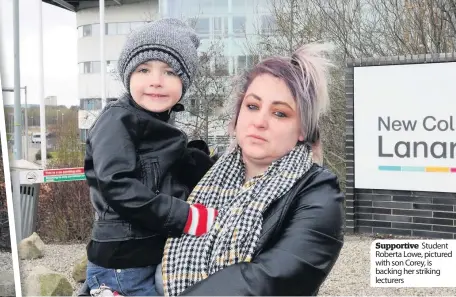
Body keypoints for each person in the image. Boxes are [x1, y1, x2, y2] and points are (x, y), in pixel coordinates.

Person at [158, 43, 345, 296]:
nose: (259, 122)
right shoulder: (200, 177)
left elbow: (271, 279)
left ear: (302, 130)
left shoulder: (319, 193)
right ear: (237, 115)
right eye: (252, 106)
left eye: (280, 113)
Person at [83, 18, 218, 296]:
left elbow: (162, 177)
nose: (156, 81)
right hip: (122, 264)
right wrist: (186, 217)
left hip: (148, 257)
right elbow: (118, 185)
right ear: (127, 75)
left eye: (170, 72)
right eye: (144, 69)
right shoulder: (117, 120)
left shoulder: (161, 128)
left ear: (185, 82)